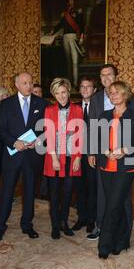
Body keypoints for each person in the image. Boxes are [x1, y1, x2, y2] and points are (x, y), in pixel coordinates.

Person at [0, 72, 47, 241]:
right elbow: (0, 130)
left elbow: (46, 129)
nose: (28, 86)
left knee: (30, 191)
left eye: (30, 83)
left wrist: (38, 141)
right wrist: (14, 142)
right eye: (24, 83)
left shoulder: (42, 103)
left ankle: (27, 225)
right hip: (12, 155)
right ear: (16, 84)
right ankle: (0, 226)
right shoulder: (6, 104)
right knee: (7, 191)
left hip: (32, 155)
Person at [87, 63, 134, 240]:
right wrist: (92, 152)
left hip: (125, 157)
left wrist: (125, 149)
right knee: (103, 193)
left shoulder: (129, 98)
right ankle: (100, 225)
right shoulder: (95, 99)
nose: (106, 78)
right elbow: (93, 128)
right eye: (102, 75)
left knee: (123, 197)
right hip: (104, 155)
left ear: (115, 76)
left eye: (109, 74)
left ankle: (124, 233)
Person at [96, 81, 134, 259]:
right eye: (111, 93)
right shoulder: (103, 115)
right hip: (106, 165)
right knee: (119, 204)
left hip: (125, 167)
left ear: (125, 95)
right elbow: (97, 139)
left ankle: (104, 244)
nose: (113, 95)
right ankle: (122, 241)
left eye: (117, 92)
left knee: (113, 204)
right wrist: (107, 152)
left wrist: (123, 151)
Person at [43, 78, 83, 239]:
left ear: (68, 91)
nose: (61, 96)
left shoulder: (78, 109)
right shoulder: (49, 110)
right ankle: (54, 225)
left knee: (67, 192)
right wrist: (53, 158)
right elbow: (49, 135)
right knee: (54, 193)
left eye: (64, 92)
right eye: (57, 93)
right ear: (53, 94)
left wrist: (78, 157)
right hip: (54, 157)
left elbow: (81, 135)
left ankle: (63, 222)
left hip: (72, 157)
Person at [72, 76, 97, 233]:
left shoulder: (98, 107)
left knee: (92, 188)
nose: (85, 89)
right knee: (79, 187)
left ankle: (92, 220)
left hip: (92, 154)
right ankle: (81, 217)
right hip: (76, 154)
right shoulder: (74, 107)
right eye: (82, 86)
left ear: (94, 90)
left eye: (88, 86)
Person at [50, 0, 85, 87]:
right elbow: (60, 25)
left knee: (75, 61)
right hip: (65, 37)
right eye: (69, 1)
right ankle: (70, 83)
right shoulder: (65, 14)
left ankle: (76, 83)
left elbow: (82, 25)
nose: (71, 2)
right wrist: (53, 31)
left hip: (73, 37)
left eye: (72, 0)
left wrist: (81, 37)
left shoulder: (78, 12)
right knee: (68, 61)